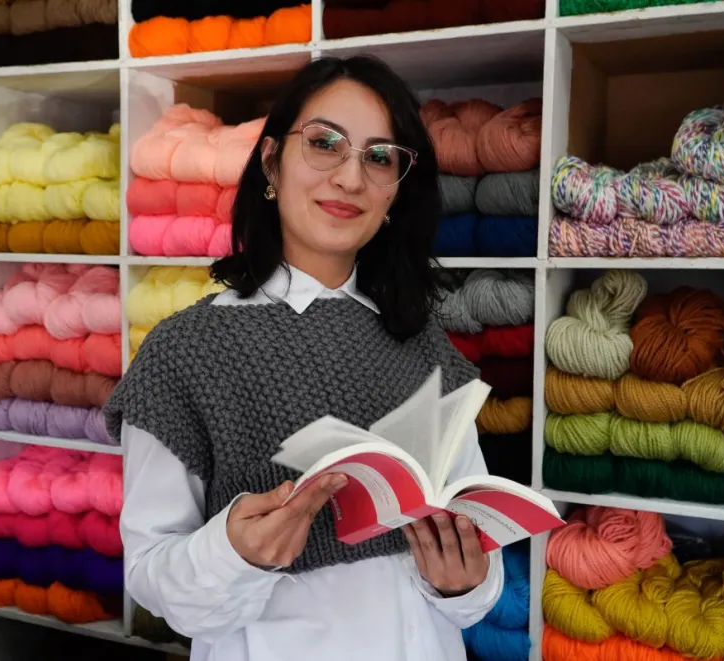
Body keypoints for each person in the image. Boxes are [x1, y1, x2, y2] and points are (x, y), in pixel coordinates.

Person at [104, 55, 504, 661]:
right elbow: (152, 574)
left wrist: (464, 584)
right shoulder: (186, 352)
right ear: (271, 161)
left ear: (397, 191)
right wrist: (235, 552)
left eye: (379, 157)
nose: (351, 178)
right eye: (324, 144)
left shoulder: (423, 343)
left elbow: (472, 555)